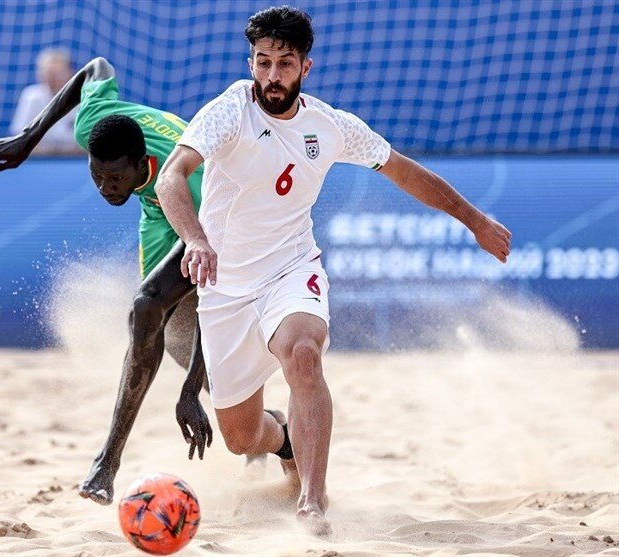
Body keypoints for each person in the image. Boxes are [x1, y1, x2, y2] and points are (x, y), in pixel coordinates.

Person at [155, 6, 512, 535]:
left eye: (284, 64)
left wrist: (475, 220)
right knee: (241, 438)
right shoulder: (230, 110)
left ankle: (312, 503)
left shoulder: (329, 125)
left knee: (304, 356)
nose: (272, 76)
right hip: (226, 288)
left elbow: (404, 172)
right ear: (251, 62)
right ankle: (285, 443)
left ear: (306, 67)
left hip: (290, 270)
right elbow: (171, 177)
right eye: (262, 62)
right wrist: (196, 240)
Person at [0, 56, 214, 506]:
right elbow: (96, 68)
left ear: (142, 163)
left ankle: (106, 461)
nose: (105, 188)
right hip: (157, 207)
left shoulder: (201, 188)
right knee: (166, 331)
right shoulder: (95, 126)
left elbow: (219, 301)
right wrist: (29, 137)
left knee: (149, 308)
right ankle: (238, 411)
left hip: (207, 216)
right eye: (97, 176)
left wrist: (188, 390)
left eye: (115, 177)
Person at [10, 48, 82, 155]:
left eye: (58, 73)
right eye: (49, 73)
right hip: (39, 161)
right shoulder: (31, 96)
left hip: (75, 162)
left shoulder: (85, 99)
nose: (54, 78)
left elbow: (92, 142)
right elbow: (19, 137)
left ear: (70, 72)